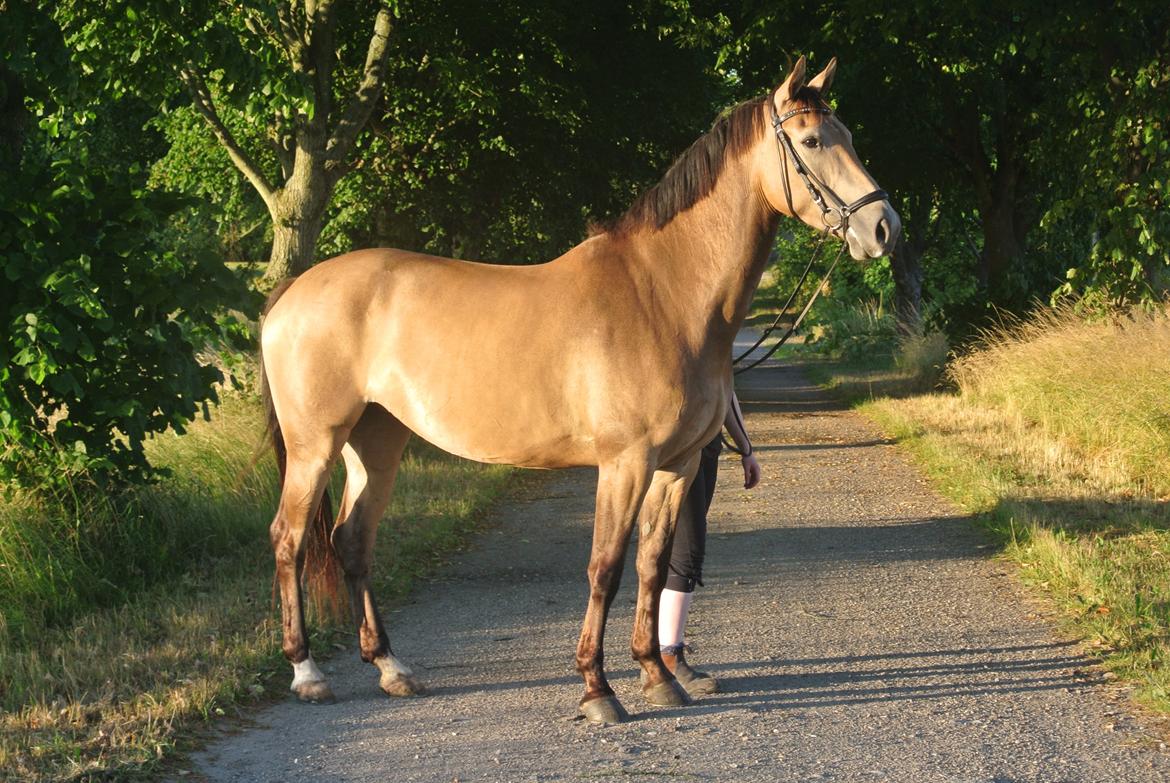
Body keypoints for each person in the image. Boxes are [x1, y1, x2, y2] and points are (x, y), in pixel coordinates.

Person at [658, 391, 761, 695]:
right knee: (685, 553)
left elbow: (724, 389)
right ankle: (668, 654)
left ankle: (661, 646)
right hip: (675, 451)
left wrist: (746, 449)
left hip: (705, 447)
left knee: (680, 552)